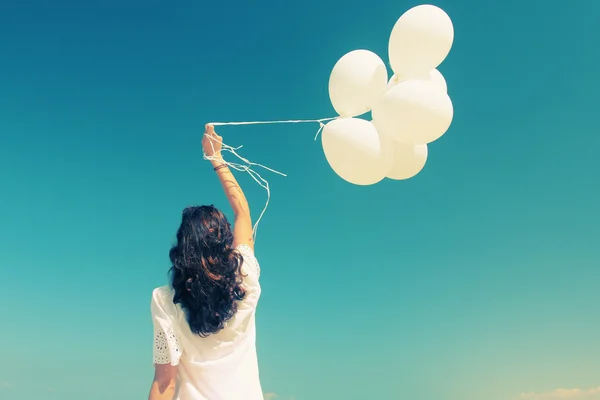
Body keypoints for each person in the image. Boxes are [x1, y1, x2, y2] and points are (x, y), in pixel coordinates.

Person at [148, 125, 263, 400]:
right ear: (225, 242)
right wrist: (216, 158)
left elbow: (165, 382)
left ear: (183, 249)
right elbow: (243, 213)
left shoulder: (166, 300)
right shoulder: (245, 278)